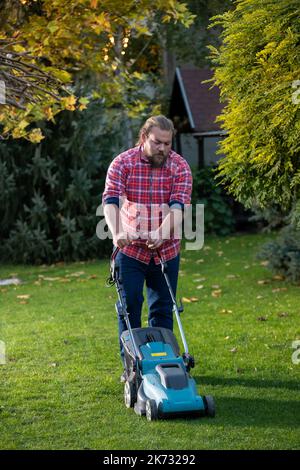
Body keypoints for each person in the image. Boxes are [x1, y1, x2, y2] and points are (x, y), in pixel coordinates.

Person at [102, 115, 192, 380]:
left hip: (166, 252)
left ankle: (164, 365)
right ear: (144, 138)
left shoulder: (180, 166)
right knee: (130, 307)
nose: (163, 148)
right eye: (157, 142)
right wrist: (117, 230)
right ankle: (131, 368)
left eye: (167, 143)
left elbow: (179, 206)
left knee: (163, 309)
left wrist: (163, 233)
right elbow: (110, 200)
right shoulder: (123, 163)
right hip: (130, 252)